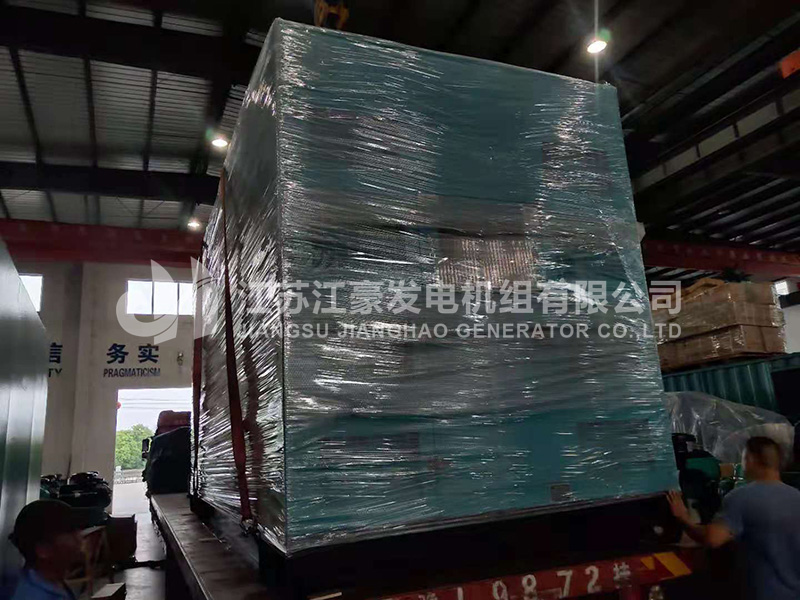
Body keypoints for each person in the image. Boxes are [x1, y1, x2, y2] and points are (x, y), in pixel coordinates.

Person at [667, 436, 800, 600]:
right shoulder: (797, 496)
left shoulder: (741, 497)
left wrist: (683, 518)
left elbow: (712, 538)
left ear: (750, 459)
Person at [8, 499, 84, 600]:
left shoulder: (52, 582)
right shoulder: (33, 596)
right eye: (71, 532)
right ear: (43, 549)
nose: (80, 537)